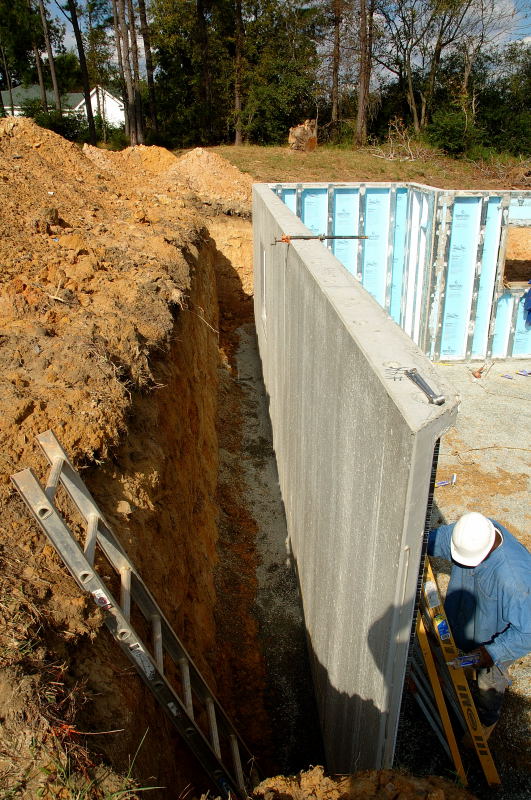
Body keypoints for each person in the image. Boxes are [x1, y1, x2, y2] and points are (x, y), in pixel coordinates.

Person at [427, 512, 531, 737]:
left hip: (495, 639)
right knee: (458, 648)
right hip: (466, 619)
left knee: (489, 681)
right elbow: (440, 540)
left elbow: (527, 632)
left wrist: (493, 652)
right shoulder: (474, 532)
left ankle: (486, 721)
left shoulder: (515, 580)